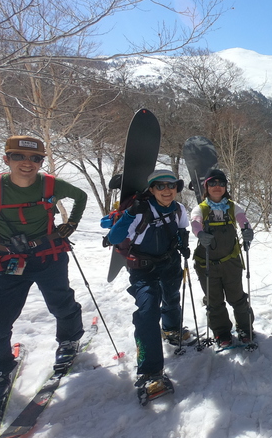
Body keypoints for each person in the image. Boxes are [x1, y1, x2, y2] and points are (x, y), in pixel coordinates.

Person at [0, 136, 87, 408]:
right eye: (19, 157)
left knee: (60, 302)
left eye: (35, 159)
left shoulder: (50, 184)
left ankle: (69, 340)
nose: (27, 163)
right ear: (6, 159)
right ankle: (0, 366)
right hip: (10, 259)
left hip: (48, 254)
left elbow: (80, 196)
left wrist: (71, 224)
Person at [107, 169, 191, 398]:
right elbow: (114, 239)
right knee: (147, 312)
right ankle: (150, 370)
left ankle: (172, 329)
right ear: (152, 189)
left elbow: (182, 227)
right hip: (143, 269)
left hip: (170, 261)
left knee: (172, 297)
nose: (167, 190)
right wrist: (128, 215)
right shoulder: (140, 211)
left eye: (171, 186)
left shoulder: (178, 208)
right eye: (160, 186)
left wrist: (183, 242)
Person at [190, 169, 255, 348]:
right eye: (212, 183)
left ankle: (245, 328)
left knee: (238, 298)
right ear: (206, 187)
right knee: (214, 301)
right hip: (207, 264)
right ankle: (222, 332)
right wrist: (200, 233)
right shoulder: (201, 208)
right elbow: (195, 221)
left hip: (230, 262)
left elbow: (243, 221)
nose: (217, 187)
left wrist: (247, 231)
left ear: (226, 187)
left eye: (221, 183)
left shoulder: (233, 207)